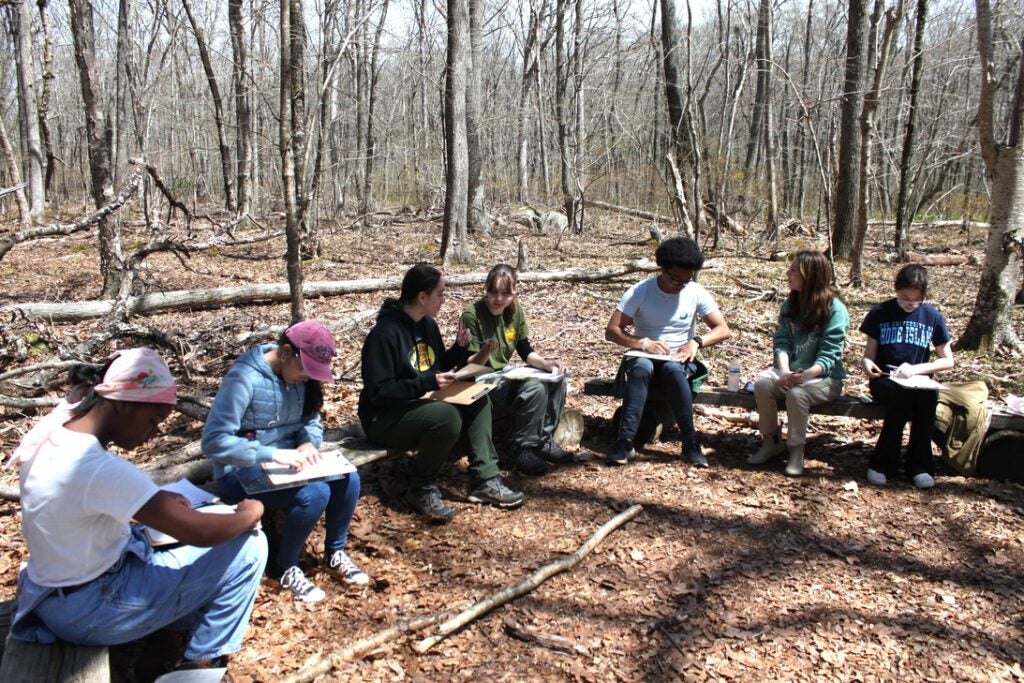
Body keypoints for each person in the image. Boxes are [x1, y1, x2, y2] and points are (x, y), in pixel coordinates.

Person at [7, 348, 267, 674]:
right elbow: (200, 532)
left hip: (53, 592)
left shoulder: (55, 433)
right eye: (152, 420)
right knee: (250, 548)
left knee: (176, 551)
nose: (154, 433)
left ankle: (161, 646)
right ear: (122, 403)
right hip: (92, 608)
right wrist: (250, 511)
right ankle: (200, 665)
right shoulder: (97, 467)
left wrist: (162, 504)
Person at [202, 320, 368, 604]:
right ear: (287, 351)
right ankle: (285, 566)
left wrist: (306, 441)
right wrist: (271, 454)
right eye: (305, 369)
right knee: (315, 494)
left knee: (349, 477)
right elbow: (214, 441)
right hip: (239, 472)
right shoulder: (244, 379)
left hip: (289, 465)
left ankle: (335, 552)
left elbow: (312, 420)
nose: (307, 377)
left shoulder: (299, 378)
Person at [359, 263, 525, 523]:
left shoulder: (427, 325)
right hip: (384, 417)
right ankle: (422, 485)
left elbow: (435, 368)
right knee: (447, 416)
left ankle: (486, 479)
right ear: (422, 297)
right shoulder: (384, 333)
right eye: (440, 294)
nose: (443, 300)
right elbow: (380, 391)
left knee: (478, 396)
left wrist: (459, 349)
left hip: (421, 403)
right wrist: (426, 383)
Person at [605, 237, 731, 467]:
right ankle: (624, 442)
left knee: (674, 370)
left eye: (685, 280)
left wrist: (696, 342)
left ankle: (690, 443)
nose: (679, 285)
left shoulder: (695, 292)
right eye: (675, 279)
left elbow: (722, 329)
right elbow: (612, 330)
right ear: (662, 269)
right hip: (643, 355)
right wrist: (643, 343)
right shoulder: (640, 291)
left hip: (677, 358)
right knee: (642, 368)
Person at [461, 264, 571, 476]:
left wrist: (547, 364)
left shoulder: (514, 311)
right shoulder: (472, 315)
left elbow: (525, 349)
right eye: (494, 292)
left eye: (505, 294)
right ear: (486, 289)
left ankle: (543, 440)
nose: (499, 299)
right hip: (481, 380)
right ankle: (521, 448)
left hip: (506, 373)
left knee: (557, 379)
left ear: (514, 292)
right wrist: (486, 350)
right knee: (534, 388)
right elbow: (469, 365)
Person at [748, 250, 849, 477]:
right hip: (792, 374)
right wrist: (784, 370)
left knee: (797, 394)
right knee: (763, 386)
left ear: (809, 276)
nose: (788, 274)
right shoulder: (790, 304)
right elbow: (782, 342)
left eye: (793, 270)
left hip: (825, 378)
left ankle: (796, 451)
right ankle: (771, 442)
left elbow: (830, 355)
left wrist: (804, 376)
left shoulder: (835, 309)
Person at [860, 264, 954, 489]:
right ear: (896, 291)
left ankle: (920, 466)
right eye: (904, 298)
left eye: (916, 299)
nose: (910, 304)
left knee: (926, 399)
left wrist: (917, 369)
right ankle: (883, 464)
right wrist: (866, 365)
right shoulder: (880, 313)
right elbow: (868, 356)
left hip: (919, 380)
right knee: (902, 396)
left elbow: (948, 360)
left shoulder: (932, 316)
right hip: (885, 379)